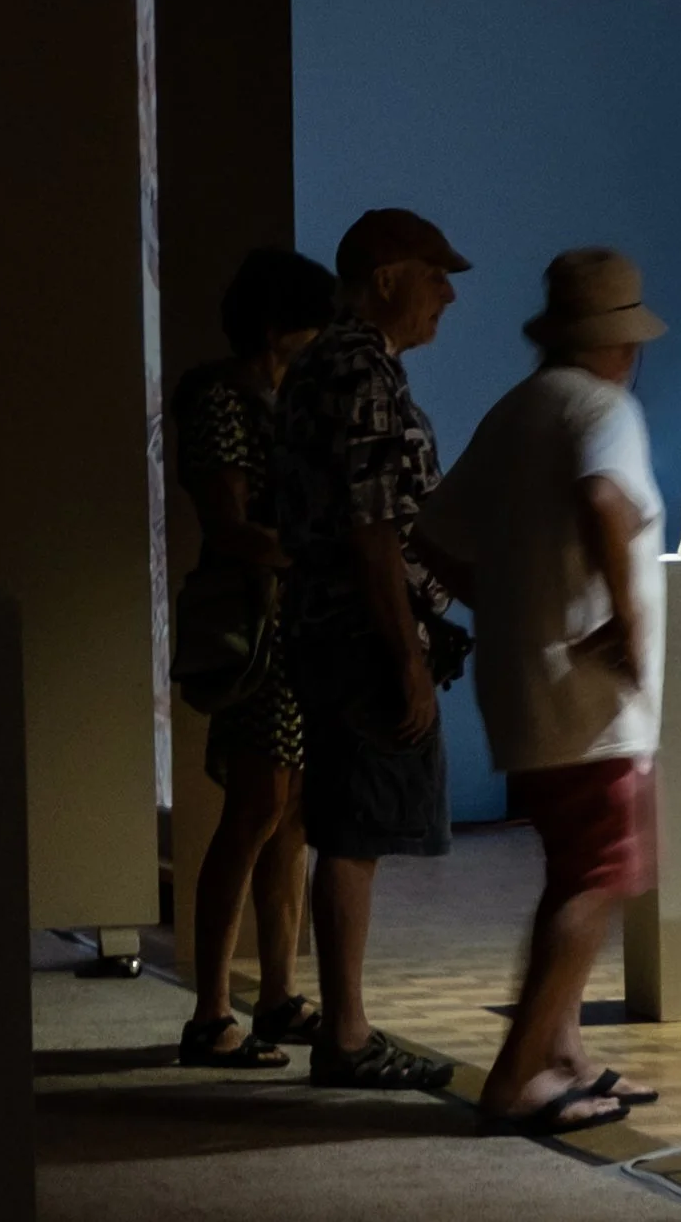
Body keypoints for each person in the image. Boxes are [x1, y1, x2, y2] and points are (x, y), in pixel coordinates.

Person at [415, 247, 667, 1134]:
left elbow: (432, 533)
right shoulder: (603, 407)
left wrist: (511, 606)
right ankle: (518, 1073)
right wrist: (625, 619)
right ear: (620, 341)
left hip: (522, 680)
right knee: (598, 874)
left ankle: (565, 1053)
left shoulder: (518, 407)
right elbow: (605, 498)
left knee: (575, 866)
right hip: (592, 695)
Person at [272, 208, 472, 1091]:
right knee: (353, 831)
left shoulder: (335, 364)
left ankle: (347, 1027)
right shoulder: (359, 368)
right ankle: (347, 1035)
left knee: (349, 828)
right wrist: (405, 655)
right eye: (435, 274)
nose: (448, 295)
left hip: (337, 630)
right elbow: (373, 528)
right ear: (387, 277)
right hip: (359, 638)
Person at [172, 249, 336, 1068]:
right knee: (256, 806)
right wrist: (313, 552)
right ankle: (210, 1009)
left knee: (290, 809)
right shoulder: (220, 398)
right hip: (256, 627)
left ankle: (276, 993)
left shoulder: (274, 398)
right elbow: (227, 524)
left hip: (286, 622)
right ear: (278, 327)